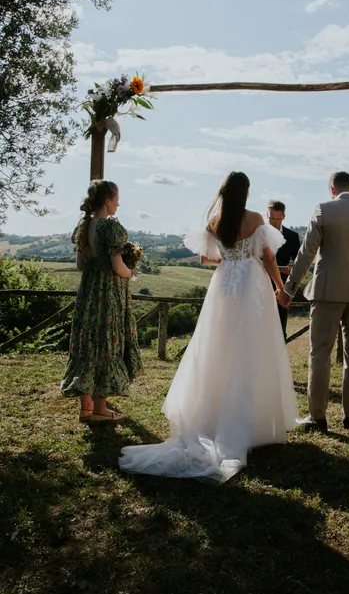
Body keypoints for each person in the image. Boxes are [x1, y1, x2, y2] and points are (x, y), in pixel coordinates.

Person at [119, 171, 299, 483]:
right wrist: (279, 287)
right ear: (245, 192)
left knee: (218, 348)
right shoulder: (256, 218)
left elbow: (205, 258)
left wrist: (230, 260)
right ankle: (252, 424)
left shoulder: (215, 221)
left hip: (224, 287)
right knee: (253, 349)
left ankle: (212, 419)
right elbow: (269, 257)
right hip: (252, 286)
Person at [277, 171, 349, 432]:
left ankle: (318, 417)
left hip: (326, 293)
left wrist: (289, 289)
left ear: (331, 189)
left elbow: (306, 253)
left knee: (320, 354)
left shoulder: (323, 210)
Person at [60, 180, 143, 424]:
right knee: (107, 344)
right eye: (116, 198)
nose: (118, 203)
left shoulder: (84, 226)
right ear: (107, 201)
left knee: (87, 343)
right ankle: (100, 409)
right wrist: (131, 273)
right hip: (108, 293)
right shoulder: (110, 228)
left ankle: (85, 408)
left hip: (88, 292)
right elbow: (118, 267)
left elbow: (80, 265)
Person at [267, 200, 301, 340]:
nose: (274, 222)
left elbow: (298, 262)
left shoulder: (292, 236)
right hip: (260, 284)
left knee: (280, 331)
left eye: (277, 219)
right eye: (271, 218)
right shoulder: (258, 234)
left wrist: (291, 268)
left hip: (282, 288)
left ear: (284, 217)